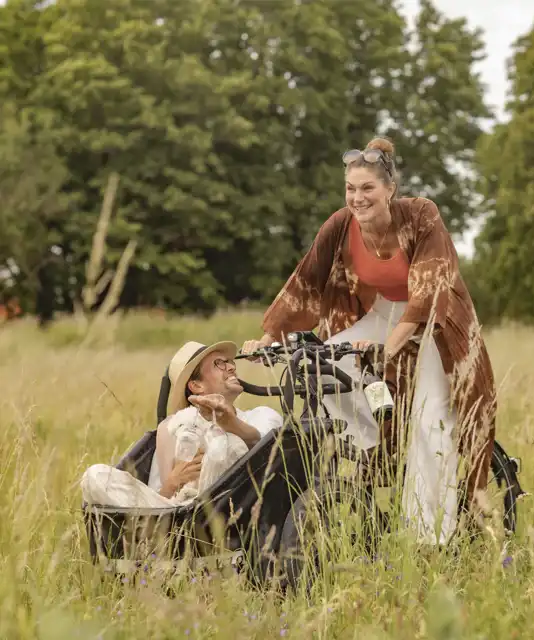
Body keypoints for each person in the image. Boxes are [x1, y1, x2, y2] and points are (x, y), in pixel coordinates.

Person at [242, 137, 497, 546]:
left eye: (367, 189)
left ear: (389, 189)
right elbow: (305, 279)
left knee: (432, 423)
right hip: (382, 315)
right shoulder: (340, 224)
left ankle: (431, 539)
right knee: (322, 367)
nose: (358, 198)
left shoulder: (421, 215)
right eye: (351, 189)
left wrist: (388, 347)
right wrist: (269, 336)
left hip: (434, 323)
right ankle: (377, 446)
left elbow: (430, 290)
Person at [80, 341, 285, 508]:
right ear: (196, 386)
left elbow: (262, 442)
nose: (231, 367)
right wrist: (172, 483)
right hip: (174, 516)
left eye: (231, 361)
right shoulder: (172, 427)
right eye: (219, 364)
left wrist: (228, 422)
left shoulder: (262, 415)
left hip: (232, 518)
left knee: (225, 445)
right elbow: (156, 498)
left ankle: (196, 521)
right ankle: (175, 531)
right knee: (95, 475)